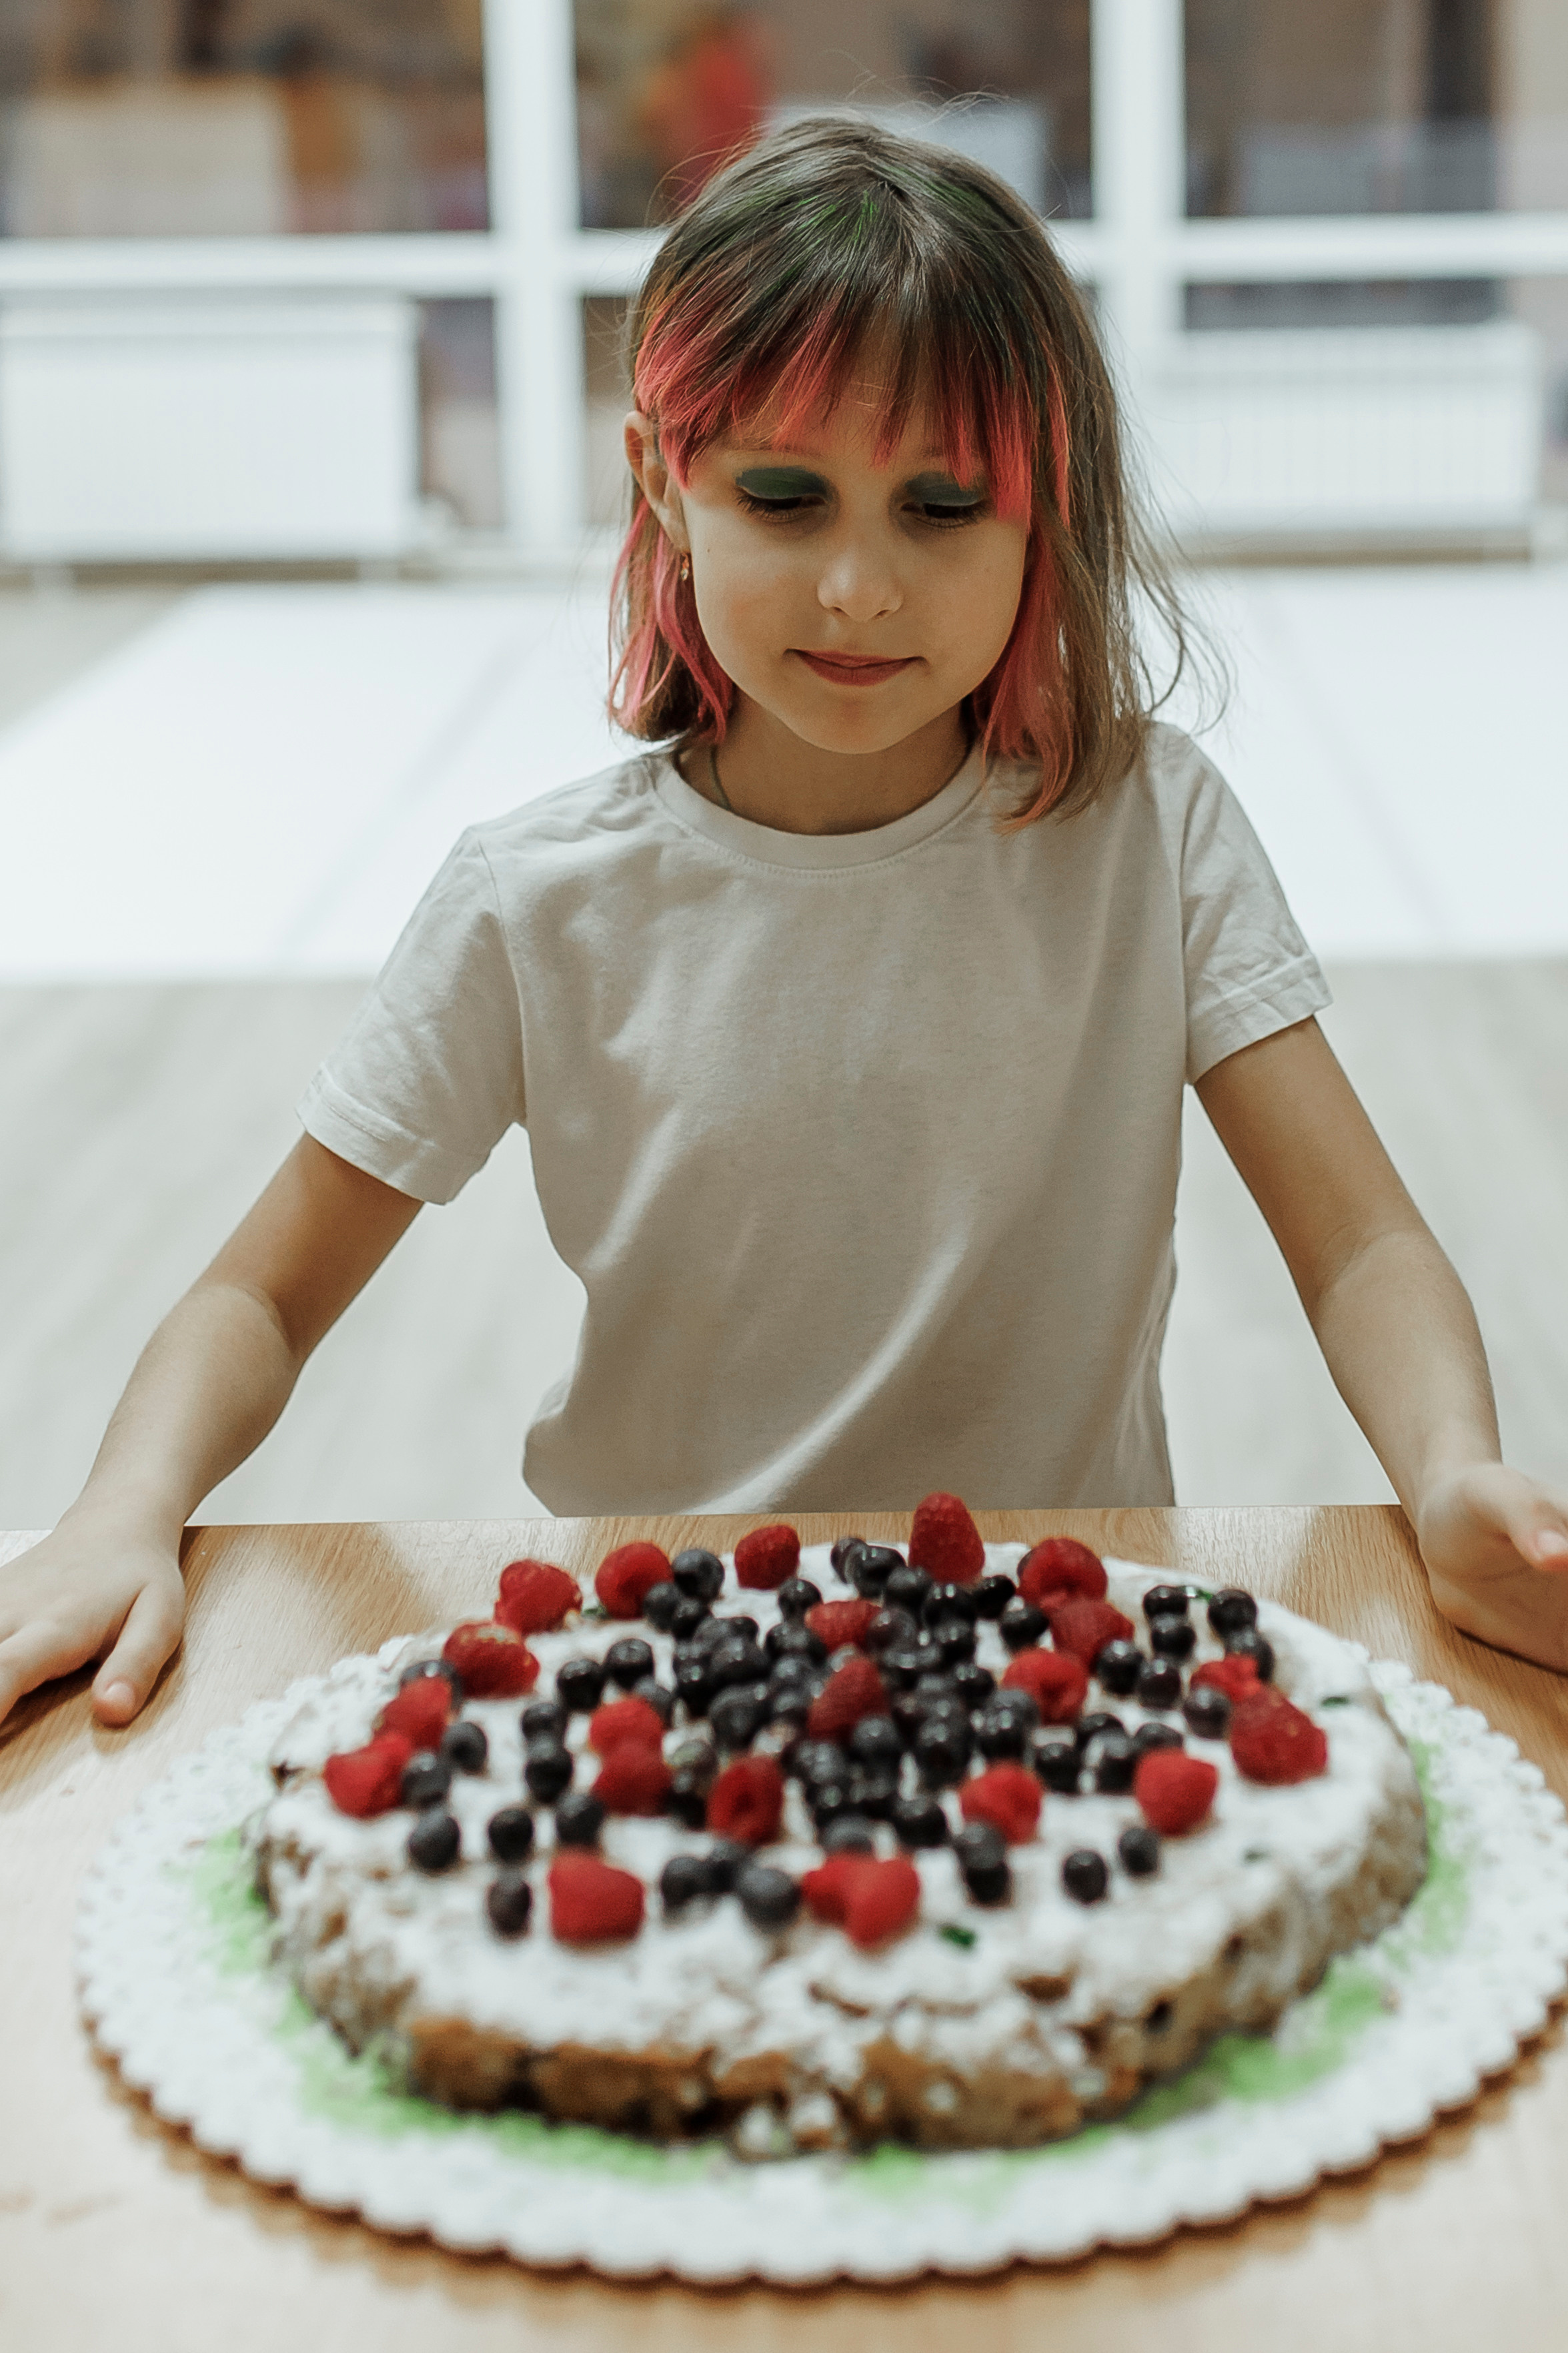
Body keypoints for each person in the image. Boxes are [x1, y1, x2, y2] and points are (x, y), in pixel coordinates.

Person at [2, 118, 1565, 1731]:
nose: (858, 588)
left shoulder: (1152, 834)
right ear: (665, 490)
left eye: (943, 505)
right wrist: (123, 1512)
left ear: (1048, 510)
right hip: (666, 1666)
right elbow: (258, 1295)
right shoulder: (534, 902)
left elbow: (1363, 1241)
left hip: (1044, 1653)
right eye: (785, 497)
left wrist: (1450, 1467)